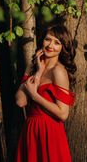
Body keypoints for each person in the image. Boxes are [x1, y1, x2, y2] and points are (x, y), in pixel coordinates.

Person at [15, 24, 76, 162]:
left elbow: (63, 113)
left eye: (57, 42)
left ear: (63, 48)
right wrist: (37, 71)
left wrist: (35, 96)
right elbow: (20, 101)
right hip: (31, 130)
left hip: (50, 132)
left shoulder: (58, 71)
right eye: (48, 39)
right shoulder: (34, 67)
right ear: (42, 40)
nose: (50, 45)